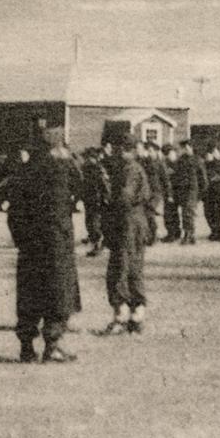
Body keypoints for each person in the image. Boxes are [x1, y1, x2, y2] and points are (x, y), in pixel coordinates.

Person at [9, 127, 81, 361]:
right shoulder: (59, 171)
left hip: (30, 247)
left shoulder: (23, 172)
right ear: (57, 147)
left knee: (29, 296)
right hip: (55, 245)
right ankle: (53, 344)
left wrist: (22, 240)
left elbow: (14, 214)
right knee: (57, 295)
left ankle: (26, 347)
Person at [101, 131, 150, 335]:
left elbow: (124, 198)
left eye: (116, 148)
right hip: (135, 222)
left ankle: (122, 316)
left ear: (124, 149)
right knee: (133, 266)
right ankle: (136, 314)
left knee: (120, 268)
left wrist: (106, 187)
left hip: (127, 222)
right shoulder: (133, 168)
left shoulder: (129, 170)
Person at [173, 139, 206, 245]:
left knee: (188, 213)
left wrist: (199, 194)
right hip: (183, 191)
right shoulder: (181, 160)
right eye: (184, 148)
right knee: (185, 213)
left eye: (187, 148)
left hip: (192, 190)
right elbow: (177, 175)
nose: (185, 150)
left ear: (191, 147)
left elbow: (203, 179)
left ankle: (189, 234)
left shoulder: (198, 160)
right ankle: (190, 235)